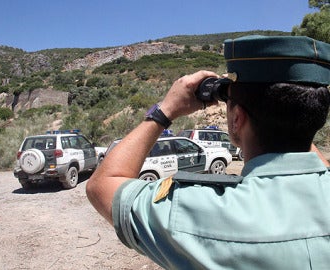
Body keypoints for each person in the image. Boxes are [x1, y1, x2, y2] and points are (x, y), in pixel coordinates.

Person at [86, 35, 330, 269]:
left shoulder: (197, 213)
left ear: (236, 119)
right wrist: (296, 116)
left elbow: (102, 185)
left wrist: (166, 110)